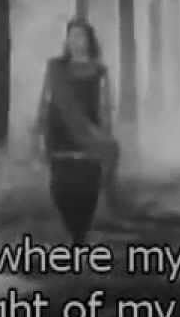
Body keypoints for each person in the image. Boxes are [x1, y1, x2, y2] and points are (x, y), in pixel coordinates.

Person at [33, 18, 119, 244]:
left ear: (89, 40)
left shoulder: (99, 71)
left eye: (80, 36)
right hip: (59, 137)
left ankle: (79, 239)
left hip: (89, 139)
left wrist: (104, 136)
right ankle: (74, 234)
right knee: (60, 190)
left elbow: (105, 106)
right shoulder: (55, 68)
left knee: (87, 192)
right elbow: (45, 99)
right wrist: (39, 131)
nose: (75, 41)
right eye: (71, 36)